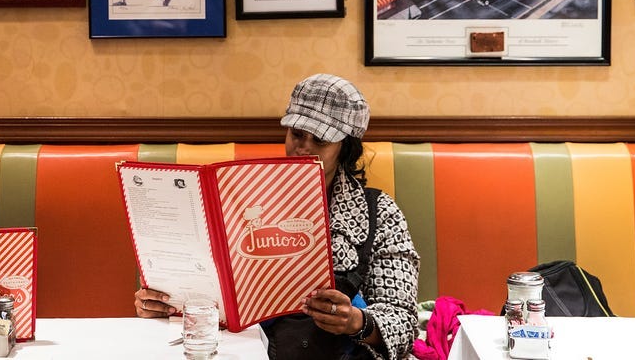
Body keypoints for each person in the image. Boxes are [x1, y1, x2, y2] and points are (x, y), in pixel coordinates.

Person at [135, 73, 421, 359]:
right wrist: (164, 303)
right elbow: (201, 295)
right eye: (296, 134)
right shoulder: (237, 201)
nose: (303, 148)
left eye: (320, 140)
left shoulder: (379, 212)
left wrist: (357, 322)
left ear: (345, 147)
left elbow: (405, 324)